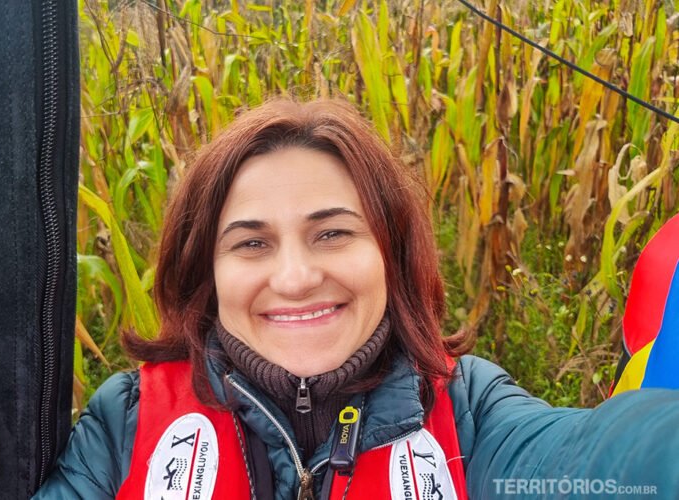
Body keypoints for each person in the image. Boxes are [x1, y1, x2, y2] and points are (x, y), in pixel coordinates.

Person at [34, 98, 679, 500]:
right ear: (209, 274)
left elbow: (595, 460)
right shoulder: (125, 421)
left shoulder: (470, 414)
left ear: (390, 256)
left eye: (332, 233)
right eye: (251, 244)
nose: (294, 278)